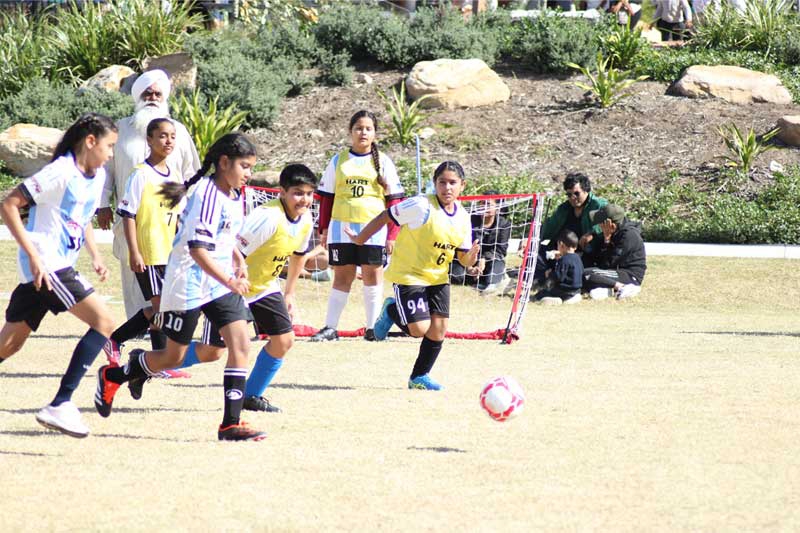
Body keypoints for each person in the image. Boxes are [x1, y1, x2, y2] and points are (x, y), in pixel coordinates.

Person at [94, 133, 267, 442]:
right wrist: (229, 280)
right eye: (245, 166)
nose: (249, 173)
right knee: (173, 357)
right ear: (224, 163)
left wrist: (237, 258)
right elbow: (197, 249)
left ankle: (230, 424)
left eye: (251, 167)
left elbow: (222, 235)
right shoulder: (207, 194)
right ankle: (115, 375)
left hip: (218, 283)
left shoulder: (235, 193)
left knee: (239, 345)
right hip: (188, 281)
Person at [0, 113, 118, 438]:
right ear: (90, 141)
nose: (111, 154)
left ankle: (60, 404)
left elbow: (82, 218)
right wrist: (34, 255)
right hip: (48, 266)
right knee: (105, 322)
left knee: (9, 345)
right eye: (109, 146)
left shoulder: (97, 175)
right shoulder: (60, 171)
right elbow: (9, 205)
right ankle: (61, 404)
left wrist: (95, 255)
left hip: (52, 267)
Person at [347, 161, 480, 391]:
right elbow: (386, 216)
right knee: (419, 330)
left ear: (463, 185)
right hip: (409, 275)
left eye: (452, 183)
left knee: (439, 328)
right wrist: (360, 239)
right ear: (435, 183)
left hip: (438, 278)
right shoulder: (421, 205)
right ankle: (392, 309)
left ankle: (419, 377)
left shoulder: (463, 217)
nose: (447, 188)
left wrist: (472, 262)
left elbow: (463, 257)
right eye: (442, 182)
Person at [96, 69, 200, 331]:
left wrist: (192, 212)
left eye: (157, 93)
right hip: (131, 219)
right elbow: (105, 170)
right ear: (137, 97)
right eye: (147, 93)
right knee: (134, 270)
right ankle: (139, 325)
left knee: (168, 276)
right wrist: (102, 204)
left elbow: (191, 174)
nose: (152, 97)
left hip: (169, 222)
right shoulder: (120, 129)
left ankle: (161, 328)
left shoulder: (179, 132)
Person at [310, 110, 405, 342]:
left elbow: (395, 201)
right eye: (358, 128)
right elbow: (327, 197)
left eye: (368, 128)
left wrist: (392, 235)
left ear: (375, 133)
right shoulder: (338, 161)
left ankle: (373, 329)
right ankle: (331, 328)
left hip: (374, 230)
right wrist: (323, 228)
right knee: (342, 276)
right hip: (340, 228)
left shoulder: (384, 162)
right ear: (350, 132)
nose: (363, 132)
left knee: (372, 275)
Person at [102, 118, 184, 376]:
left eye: (172, 136)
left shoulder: (175, 175)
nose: (168, 141)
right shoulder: (140, 174)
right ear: (149, 140)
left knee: (165, 309)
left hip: (169, 253)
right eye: (162, 136)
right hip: (149, 252)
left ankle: (151, 358)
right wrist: (134, 251)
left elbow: (177, 216)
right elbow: (128, 214)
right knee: (160, 308)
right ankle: (124, 344)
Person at [537, 173, 607, 281]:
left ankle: (556, 275)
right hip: (561, 250)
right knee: (535, 251)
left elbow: (609, 221)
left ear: (586, 190)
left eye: (576, 193)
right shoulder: (564, 208)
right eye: (569, 195)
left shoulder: (598, 205)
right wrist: (531, 239)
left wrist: (592, 233)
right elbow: (549, 227)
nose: (573, 198)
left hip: (585, 253)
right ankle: (546, 275)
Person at [450, 191, 511, 293]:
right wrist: (469, 266)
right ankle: (474, 277)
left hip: (489, 260)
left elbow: (501, 250)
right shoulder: (468, 219)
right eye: (482, 203)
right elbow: (459, 245)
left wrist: (483, 259)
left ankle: (494, 278)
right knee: (457, 276)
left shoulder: (504, 224)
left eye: (488, 204)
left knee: (496, 267)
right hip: (467, 258)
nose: (484, 207)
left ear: (498, 208)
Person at [582, 204, 647, 300]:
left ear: (610, 224)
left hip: (629, 275)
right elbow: (597, 257)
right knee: (579, 271)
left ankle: (622, 287)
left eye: (601, 223)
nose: (599, 225)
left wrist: (607, 240)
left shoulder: (629, 236)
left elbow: (607, 264)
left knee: (587, 274)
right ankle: (609, 290)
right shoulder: (614, 232)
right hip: (614, 272)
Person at [532, 230, 583, 305]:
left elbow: (558, 277)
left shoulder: (564, 259)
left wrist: (549, 274)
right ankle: (573, 297)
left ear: (561, 245)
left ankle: (556, 299)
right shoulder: (577, 257)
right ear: (575, 247)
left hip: (564, 291)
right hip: (577, 290)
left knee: (542, 293)